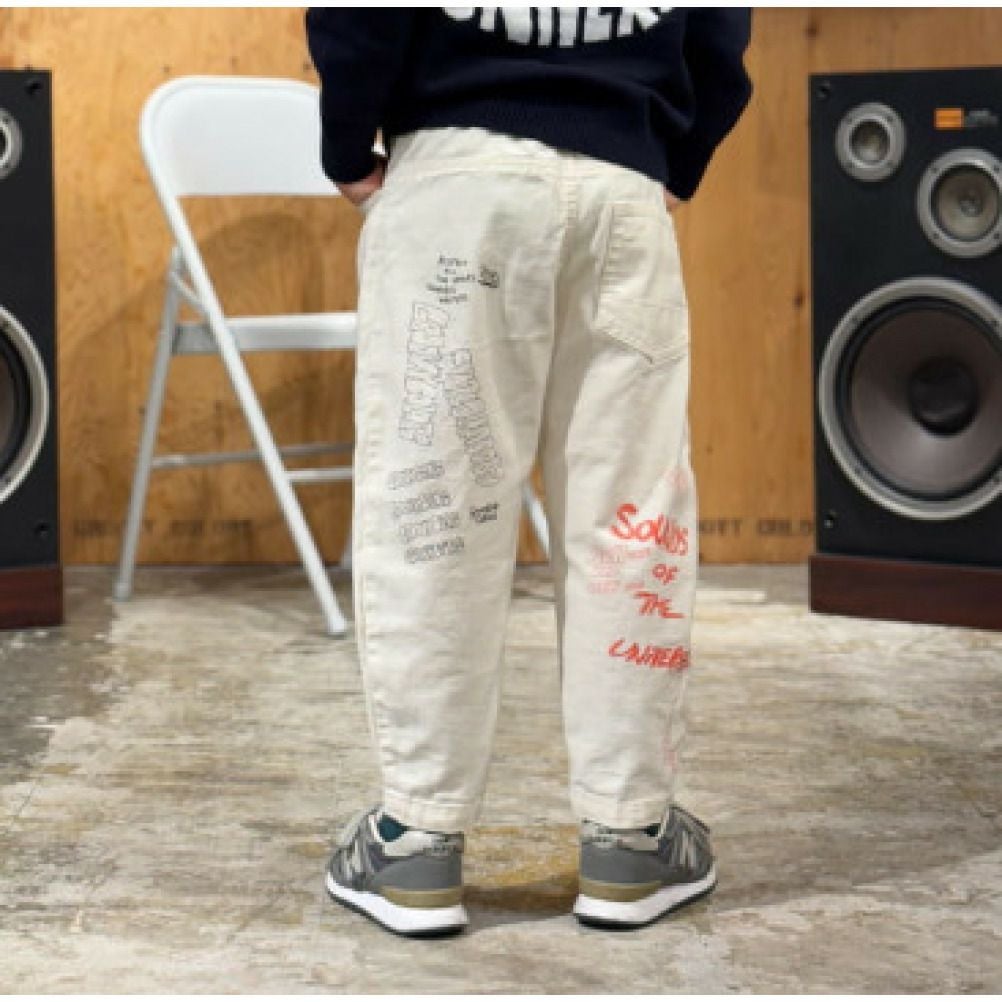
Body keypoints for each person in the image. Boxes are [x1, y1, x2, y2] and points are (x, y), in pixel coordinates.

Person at [306, 7, 752, 937]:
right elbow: (718, 30)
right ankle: (631, 837)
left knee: (436, 515)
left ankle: (416, 840)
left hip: (458, 178)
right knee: (629, 523)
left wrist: (347, 142)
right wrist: (675, 158)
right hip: (623, 185)